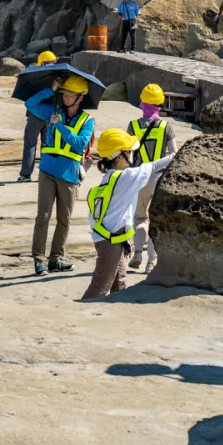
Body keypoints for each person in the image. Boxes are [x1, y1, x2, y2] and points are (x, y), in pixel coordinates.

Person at [82, 129, 175, 299]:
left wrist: (123, 241)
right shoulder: (126, 177)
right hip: (109, 242)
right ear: (119, 156)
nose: (133, 155)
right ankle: (81, 314)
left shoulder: (111, 177)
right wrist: (176, 155)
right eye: (130, 152)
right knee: (100, 287)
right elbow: (153, 166)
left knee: (120, 283)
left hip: (110, 238)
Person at [30, 74, 95, 275]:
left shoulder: (87, 121)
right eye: (64, 93)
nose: (66, 97)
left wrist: (59, 126)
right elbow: (30, 103)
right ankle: (39, 259)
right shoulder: (51, 109)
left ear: (80, 97)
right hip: (47, 170)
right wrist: (52, 89)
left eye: (71, 94)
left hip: (69, 174)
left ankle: (56, 258)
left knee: (64, 219)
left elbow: (79, 144)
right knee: (43, 216)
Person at [126, 83, 177, 272]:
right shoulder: (166, 128)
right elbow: (174, 154)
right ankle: (152, 262)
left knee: (140, 218)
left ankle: (138, 252)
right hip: (158, 178)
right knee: (155, 219)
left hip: (139, 177)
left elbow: (126, 154)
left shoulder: (133, 126)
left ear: (142, 103)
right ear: (160, 105)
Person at [18, 50, 58, 183]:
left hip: (35, 115)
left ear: (41, 62)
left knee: (30, 144)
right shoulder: (59, 77)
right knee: (47, 145)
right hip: (50, 116)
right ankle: (46, 174)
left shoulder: (35, 76)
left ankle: (26, 175)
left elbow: (30, 97)